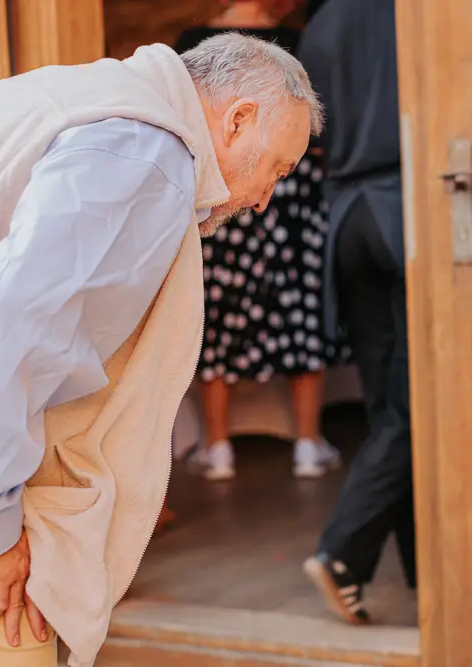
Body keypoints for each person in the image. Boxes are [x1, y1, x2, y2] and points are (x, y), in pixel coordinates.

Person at [0, 33, 320, 666]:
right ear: (238, 118)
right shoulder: (145, 158)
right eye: (275, 167)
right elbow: (9, 329)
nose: (265, 198)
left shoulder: (100, 102)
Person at [175, 0, 344, 482]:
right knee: (300, 307)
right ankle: (308, 442)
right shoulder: (300, 42)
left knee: (222, 311)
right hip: (294, 194)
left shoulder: (195, 45)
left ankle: (217, 445)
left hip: (228, 186)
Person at [297, 0, 413, 624]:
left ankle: (428, 569)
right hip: (406, 212)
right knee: (419, 409)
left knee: (389, 407)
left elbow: (311, 132)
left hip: (347, 218)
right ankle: (342, 553)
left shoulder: (324, 23)